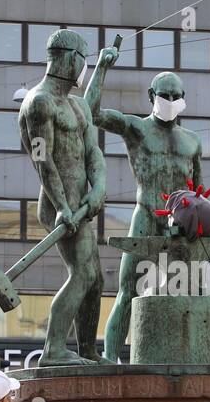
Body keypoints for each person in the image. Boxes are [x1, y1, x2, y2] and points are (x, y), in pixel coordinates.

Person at [84, 53, 202, 360]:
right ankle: (109, 360)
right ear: (152, 96)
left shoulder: (193, 141)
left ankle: (179, 358)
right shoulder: (137, 129)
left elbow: (198, 190)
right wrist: (102, 67)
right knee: (127, 292)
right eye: (165, 95)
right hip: (147, 216)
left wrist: (201, 226)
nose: (171, 100)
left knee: (185, 295)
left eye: (176, 96)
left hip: (180, 224)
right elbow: (90, 111)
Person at [16, 28, 109, 366]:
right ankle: (54, 349)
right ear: (71, 59)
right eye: (83, 61)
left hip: (81, 202)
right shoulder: (38, 103)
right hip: (60, 205)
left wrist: (98, 187)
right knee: (82, 274)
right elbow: (43, 160)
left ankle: (87, 350)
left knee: (95, 279)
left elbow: (93, 153)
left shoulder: (78, 105)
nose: (83, 69)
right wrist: (63, 208)